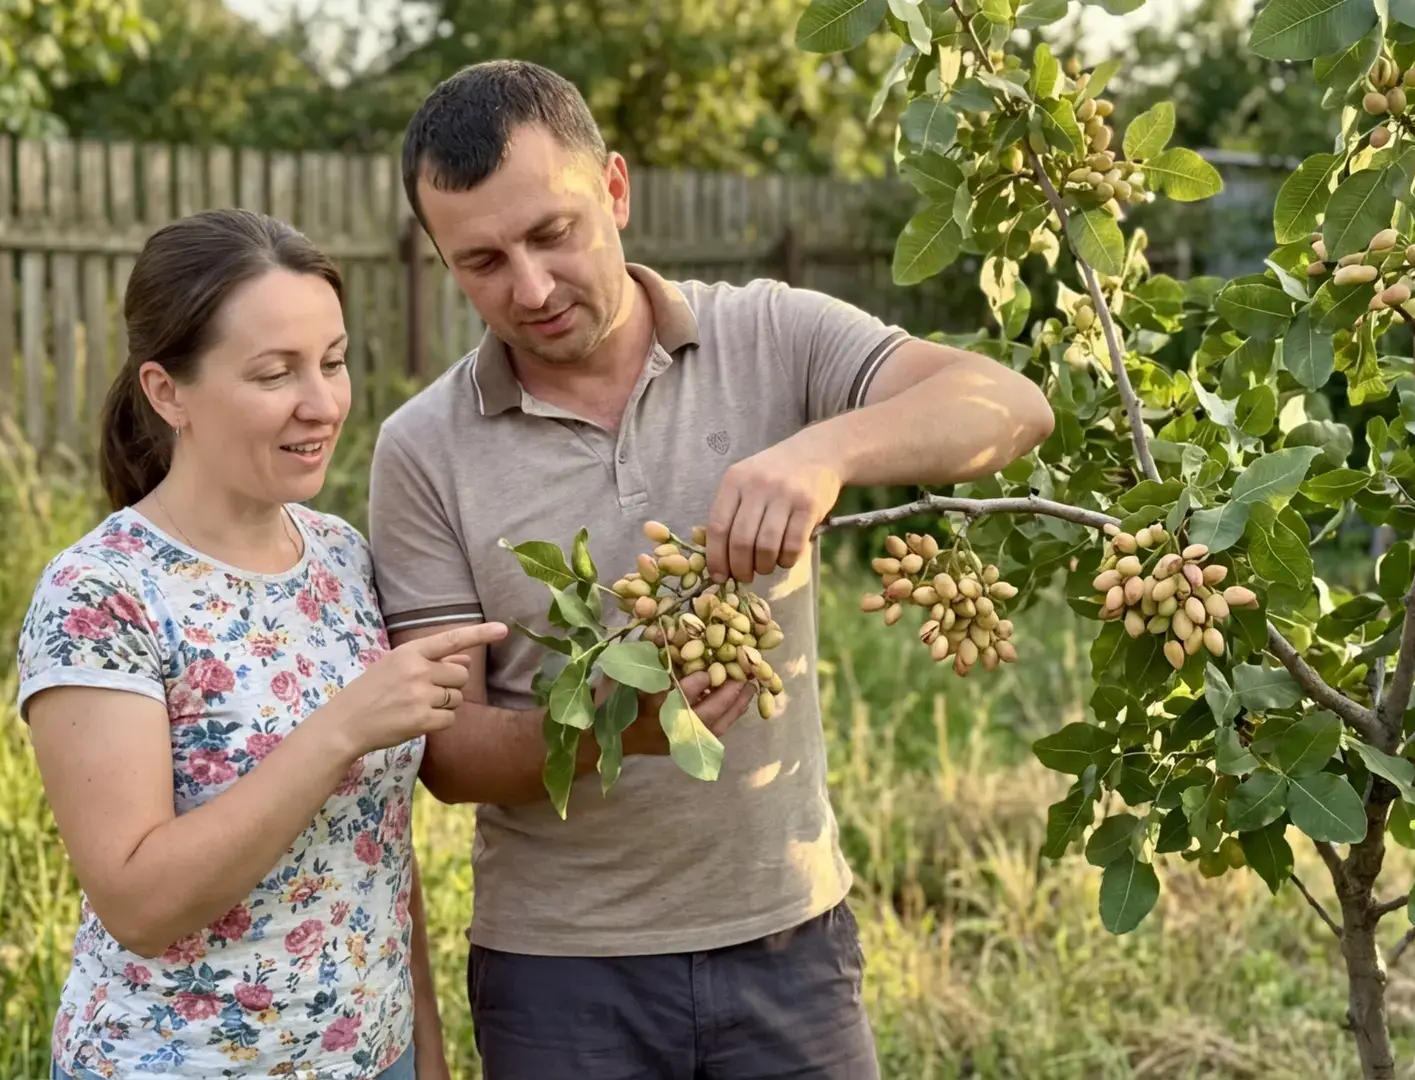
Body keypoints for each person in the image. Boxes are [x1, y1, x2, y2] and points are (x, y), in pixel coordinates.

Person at [364, 60, 1055, 1078]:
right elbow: (451, 757)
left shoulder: (770, 334)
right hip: (560, 976)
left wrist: (824, 453)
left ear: (615, 189)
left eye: (553, 233)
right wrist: (618, 729)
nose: (531, 288)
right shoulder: (421, 449)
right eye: (483, 261)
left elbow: (1011, 406)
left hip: (788, 936)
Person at [15, 207, 507, 1080]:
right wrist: (340, 729)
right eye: (274, 373)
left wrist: (425, 1054)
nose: (321, 403)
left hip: (373, 1055)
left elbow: (378, 854)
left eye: (333, 361)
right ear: (168, 392)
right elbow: (138, 901)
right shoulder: (103, 593)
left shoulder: (344, 559)